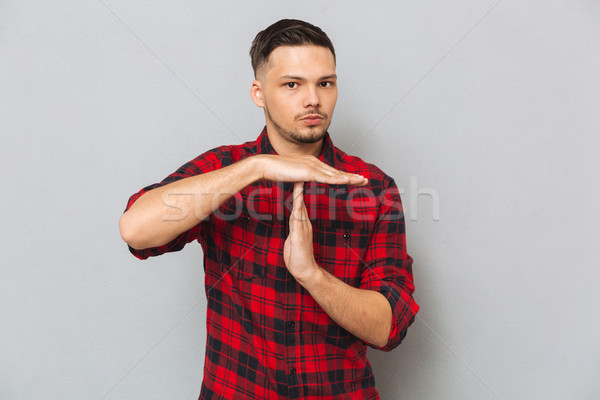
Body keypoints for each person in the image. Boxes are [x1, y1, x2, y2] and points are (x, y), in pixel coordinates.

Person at [119, 19, 419, 400]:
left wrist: (312, 275)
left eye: (325, 83)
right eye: (292, 84)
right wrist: (256, 167)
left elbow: (387, 327)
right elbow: (135, 229)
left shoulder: (372, 187)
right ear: (259, 93)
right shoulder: (225, 170)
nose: (313, 99)